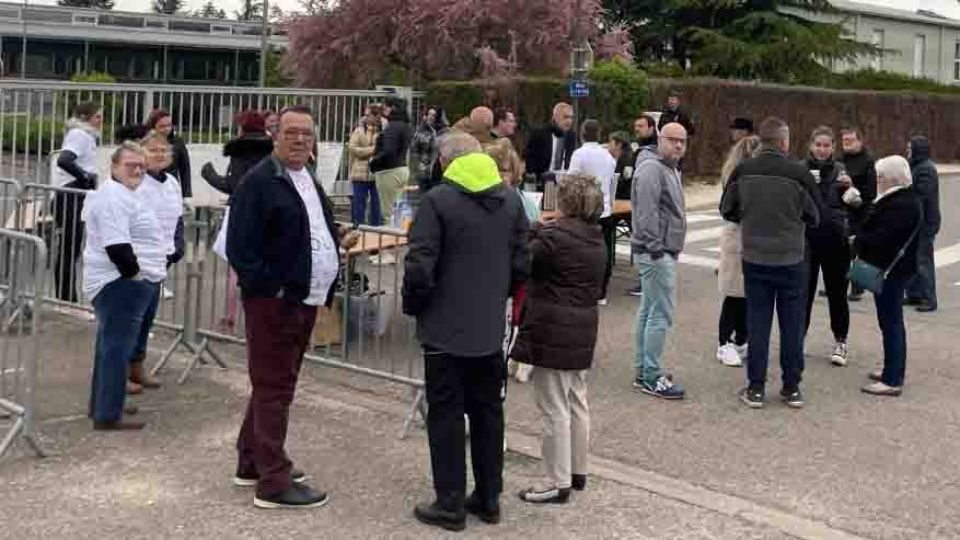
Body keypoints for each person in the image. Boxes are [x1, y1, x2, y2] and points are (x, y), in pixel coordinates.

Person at [227, 105, 360, 509]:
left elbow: (312, 223)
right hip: (276, 303)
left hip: (306, 297)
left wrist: (336, 238)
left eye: (306, 133)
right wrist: (275, 290)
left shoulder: (306, 177)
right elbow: (240, 249)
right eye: (291, 132)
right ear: (275, 135)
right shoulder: (259, 182)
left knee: (273, 383)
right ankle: (273, 481)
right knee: (275, 388)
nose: (300, 139)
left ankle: (251, 460)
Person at [403, 131, 529, 532]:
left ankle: (450, 502)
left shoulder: (437, 201)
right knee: (488, 412)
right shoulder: (511, 199)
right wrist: (496, 295)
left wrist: (415, 307)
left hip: (444, 327)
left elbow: (419, 266)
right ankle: (489, 497)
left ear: (443, 161)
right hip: (488, 328)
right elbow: (522, 262)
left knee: (446, 416)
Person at [512, 174, 605, 504]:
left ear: (566, 202)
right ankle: (577, 470)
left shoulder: (554, 238)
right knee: (576, 399)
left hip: (553, 328)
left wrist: (534, 228)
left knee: (553, 406)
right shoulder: (595, 237)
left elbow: (523, 259)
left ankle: (556, 480)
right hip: (582, 327)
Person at [720, 117, 821, 409]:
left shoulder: (743, 171)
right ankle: (791, 387)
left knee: (758, 323)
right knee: (792, 325)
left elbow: (727, 209)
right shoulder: (799, 174)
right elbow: (816, 215)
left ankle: (756, 387)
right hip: (791, 257)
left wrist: (751, 218)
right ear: (784, 142)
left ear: (761, 141)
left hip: (755, 256)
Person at [82, 142, 167, 430]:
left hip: (123, 281)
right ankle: (107, 414)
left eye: (141, 166)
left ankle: (105, 404)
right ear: (114, 167)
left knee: (110, 346)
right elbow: (117, 246)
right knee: (117, 347)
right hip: (119, 283)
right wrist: (135, 275)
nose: (137, 170)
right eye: (131, 165)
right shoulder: (113, 198)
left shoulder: (122, 193)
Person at [854, 156, 922, 397]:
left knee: (891, 322)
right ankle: (890, 369)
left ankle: (892, 379)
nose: (878, 180)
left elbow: (883, 239)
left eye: (880, 176)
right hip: (894, 268)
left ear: (892, 178)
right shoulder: (902, 199)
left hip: (891, 270)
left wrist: (858, 239)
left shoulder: (900, 204)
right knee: (889, 321)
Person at [630, 122, 688, 400]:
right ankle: (651, 376)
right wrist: (656, 249)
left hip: (660, 249)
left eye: (682, 141)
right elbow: (646, 212)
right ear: (659, 139)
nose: (678, 145)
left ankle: (644, 371)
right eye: (672, 139)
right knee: (660, 313)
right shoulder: (652, 169)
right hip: (656, 251)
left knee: (649, 310)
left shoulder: (668, 167)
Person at [127, 131, 185, 393]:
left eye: (163, 150)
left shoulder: (172, 182)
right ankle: (118, 370)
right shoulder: (136, 181)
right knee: (130, 317)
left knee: (148, 315)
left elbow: (177, 216)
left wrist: (178, 243)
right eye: (153, 150)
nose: (160, 154)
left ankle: (137, 365)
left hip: (161, 259)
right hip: (137, 258)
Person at [803, 126, 855, 367]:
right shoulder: (801, 169)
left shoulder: (841, 170)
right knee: (803, 293)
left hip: (835, 240)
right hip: (808, 240)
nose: (822, 150)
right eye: (818, 145)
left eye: (826, 145)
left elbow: (853, 203)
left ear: (833, 148)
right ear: (811, 146)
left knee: (837, 294)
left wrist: (851, 189)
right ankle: (798, 337)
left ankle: (841, 341)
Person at [716, 135, 761, 367]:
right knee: (734, 293)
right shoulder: (738, 176)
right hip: (737, 234)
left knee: (748, 295)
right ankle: (724, 342)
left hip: (753, 235)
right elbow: (728, 209)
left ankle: (742, 339)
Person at [53, 102, 102, 304]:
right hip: (70, 196)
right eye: (97, 116)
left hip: (77, 196)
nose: (101, 120)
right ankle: (65, 299)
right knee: (68, 250)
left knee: (71, 250)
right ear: (84, 117)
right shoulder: (79, 135)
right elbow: (64, 160)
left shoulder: (85, 136)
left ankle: (66, 299)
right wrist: (85, 176)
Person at [567, 119, 616, 304]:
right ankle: (601, 291)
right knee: (604, 252)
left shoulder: (579, 154)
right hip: (605, 209)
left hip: (585, 210)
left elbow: (570, 181)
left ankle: (583, 289)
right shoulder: (608, 156)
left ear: (582, 134)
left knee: (582, 253)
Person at [840, 127, 877, 302]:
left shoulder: (868, 161)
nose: (846, 143)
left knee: (859, 249)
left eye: (850, 140)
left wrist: (853, 188)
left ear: (860, 141)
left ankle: (858, 287)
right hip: (842, 210)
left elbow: (871, 191)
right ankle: (838, 285)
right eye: (844, 140)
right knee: (841, 250)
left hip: (862, 210)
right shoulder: (839, 160)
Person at [904, 136, 940, 313]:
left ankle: (928, 298)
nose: (907, 151)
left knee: (923, 260)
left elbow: (922, 196)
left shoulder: (926, 169)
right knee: (912, 258)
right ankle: (914, 294)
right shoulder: (916, 166)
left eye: (910, 148)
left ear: (918, 150)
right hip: (915, 222)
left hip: (925, 223)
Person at [201, 110, 274, 197]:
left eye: (239, 127)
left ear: (244, 129)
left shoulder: (240, 151)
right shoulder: (273, 150)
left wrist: (209, 174)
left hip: (246, 203)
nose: (238, 130)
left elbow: (234, 186)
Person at [625, 114, 659, 298]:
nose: (637, 129)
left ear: (651, 129)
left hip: (648, 203)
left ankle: (647, 282)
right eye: (636, 126)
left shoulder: (651, 152)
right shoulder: (641, 149)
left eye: (641, 126)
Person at [369, 96, 412, 224]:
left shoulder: (392, 127)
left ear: (392, 108)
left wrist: (373, 161)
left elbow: (389, 151)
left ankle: (391, 235)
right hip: (402, 169)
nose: (384, 109)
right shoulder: (405, 126)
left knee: (389, 214)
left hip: (389, 172)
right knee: (399, 212)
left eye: (385, 106)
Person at [524, 102, 578, 189]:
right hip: (541, 182)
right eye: (565, 117)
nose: (569, 121)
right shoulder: (539, 133)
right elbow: (529, 159)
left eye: (571, 118)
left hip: (563, 183)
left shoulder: (571, 136)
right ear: (555, 117)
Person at [347, 105, 384, 225]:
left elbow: (383, 150)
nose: (365, 117)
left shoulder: (383, 131)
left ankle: (375, 228)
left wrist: (365, 151)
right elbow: (353, 149)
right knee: (358, 204)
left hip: (377, 172)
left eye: (368, 115)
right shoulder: (359, 130)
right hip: (359, 173)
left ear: (376, 116)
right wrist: (372, 150)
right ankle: (358, 227)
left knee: (377, 205)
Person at [145, 109, 192, 197]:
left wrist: (187, 194)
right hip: (149, 188)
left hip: (171, 188)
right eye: (162, 126)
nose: (167, 129)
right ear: (153, 126)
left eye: (169, 125)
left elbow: (185, 168)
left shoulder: (178, 141)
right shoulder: (145, 142)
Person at [411, 105, 449, 193]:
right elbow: (414, 148)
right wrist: (417, 166)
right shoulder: (422, 130)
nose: (430, 117)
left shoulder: (444, 131)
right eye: (429, 114)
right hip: (424, 170)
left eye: (433, 115)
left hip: (439, 171)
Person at [608, 131, 634, 200]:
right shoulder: (621, 160)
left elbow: (625, 181)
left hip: (624, 202)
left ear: (619, 144)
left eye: (610, 143)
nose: (608, 146)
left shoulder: (627, 162)